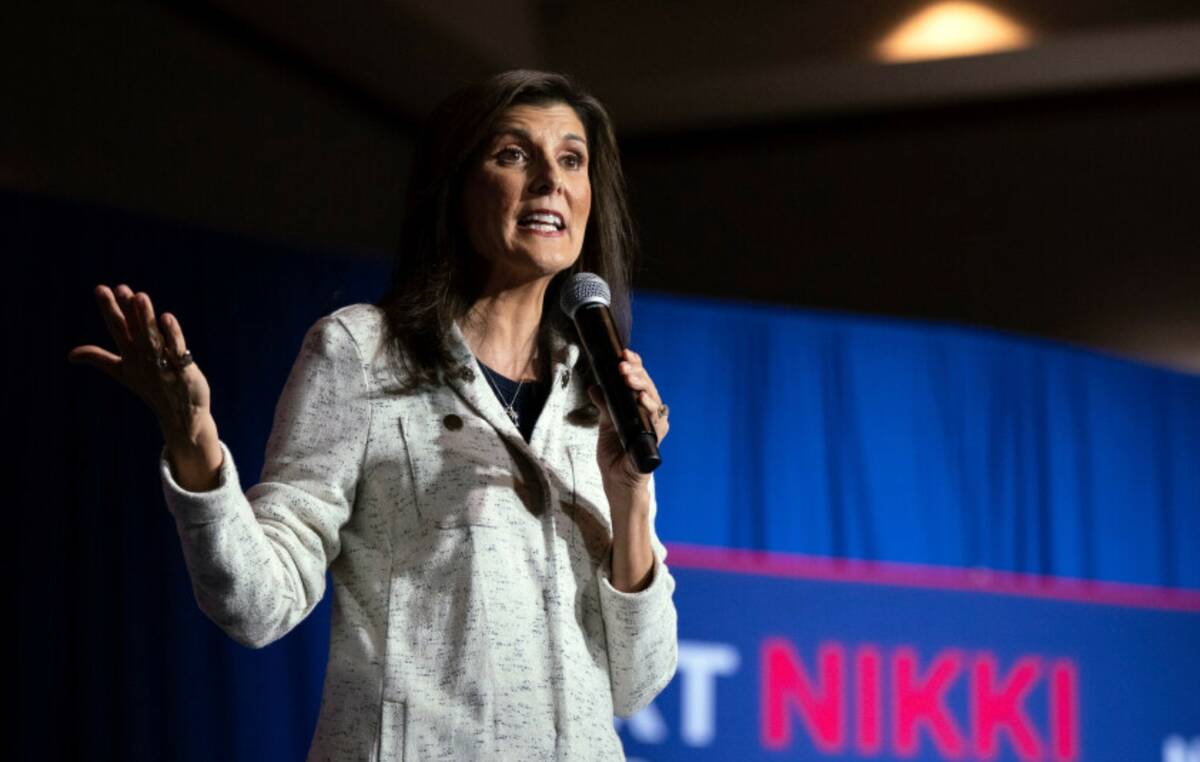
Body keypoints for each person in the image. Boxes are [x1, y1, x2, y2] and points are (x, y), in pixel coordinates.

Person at [67, 69, 678, 760]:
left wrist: (632, 499)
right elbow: (258, 603)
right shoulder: (363, 353)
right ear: (456, 187)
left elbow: (637, 682)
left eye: (572, 159)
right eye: (513, 155)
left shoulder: (593, 401)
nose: (550, 181)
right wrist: (196, 448)